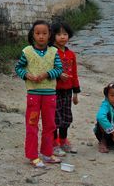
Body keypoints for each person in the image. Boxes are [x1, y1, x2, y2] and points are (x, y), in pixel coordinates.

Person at [15, 20, 63, 168]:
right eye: (37, 33)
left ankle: (47, 153)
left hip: (50, 95)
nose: (41, 36)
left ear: (50, 35)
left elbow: (59, 69)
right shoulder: (27, 51)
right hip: (33, 95)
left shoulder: (54, 52)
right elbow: (18, 68)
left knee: (50, 125)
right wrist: (26, 75)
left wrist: (48, 74)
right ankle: (32, 155)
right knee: (32, 124)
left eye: (44, 33)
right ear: (33, 35)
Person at [51, 22, 80, 156]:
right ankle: (53, 144)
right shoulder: (50, 52)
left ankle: (63, 141)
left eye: (65, 34)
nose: (62, 37)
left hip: (68, 91)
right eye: (58, 34)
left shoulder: (71, 55)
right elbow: (47, 70)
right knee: (55, 118)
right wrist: (58, 74)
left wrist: (76, 93)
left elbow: (74, 74)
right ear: (53, 36)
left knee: (66, 117)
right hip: (54, 91)